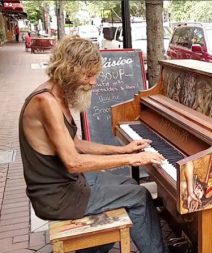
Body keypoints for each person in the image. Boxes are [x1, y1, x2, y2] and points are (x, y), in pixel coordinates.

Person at [19, 36, 166, 253]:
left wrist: (123, 149)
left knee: (127, 183)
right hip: (57, 196)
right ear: (69, 69)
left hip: (68, 183)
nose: (93, 82)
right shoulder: (46, 102)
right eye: (88, 75)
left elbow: (76, 144)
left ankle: (93, 246)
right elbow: (73, 162)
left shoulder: (57, 95)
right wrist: (134, 158)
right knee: (140, 196)